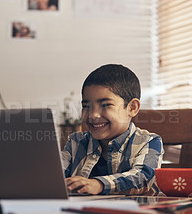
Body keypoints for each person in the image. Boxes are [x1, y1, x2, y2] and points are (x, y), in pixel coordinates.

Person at [61, 64, 163, 195]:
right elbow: (54, 176)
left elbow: (142, 178)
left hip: (130, 213)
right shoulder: (76, 142)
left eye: (105, 105)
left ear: (132, 108)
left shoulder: (148, 142)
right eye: (86, 106)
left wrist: (98, 185)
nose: (93, 115)